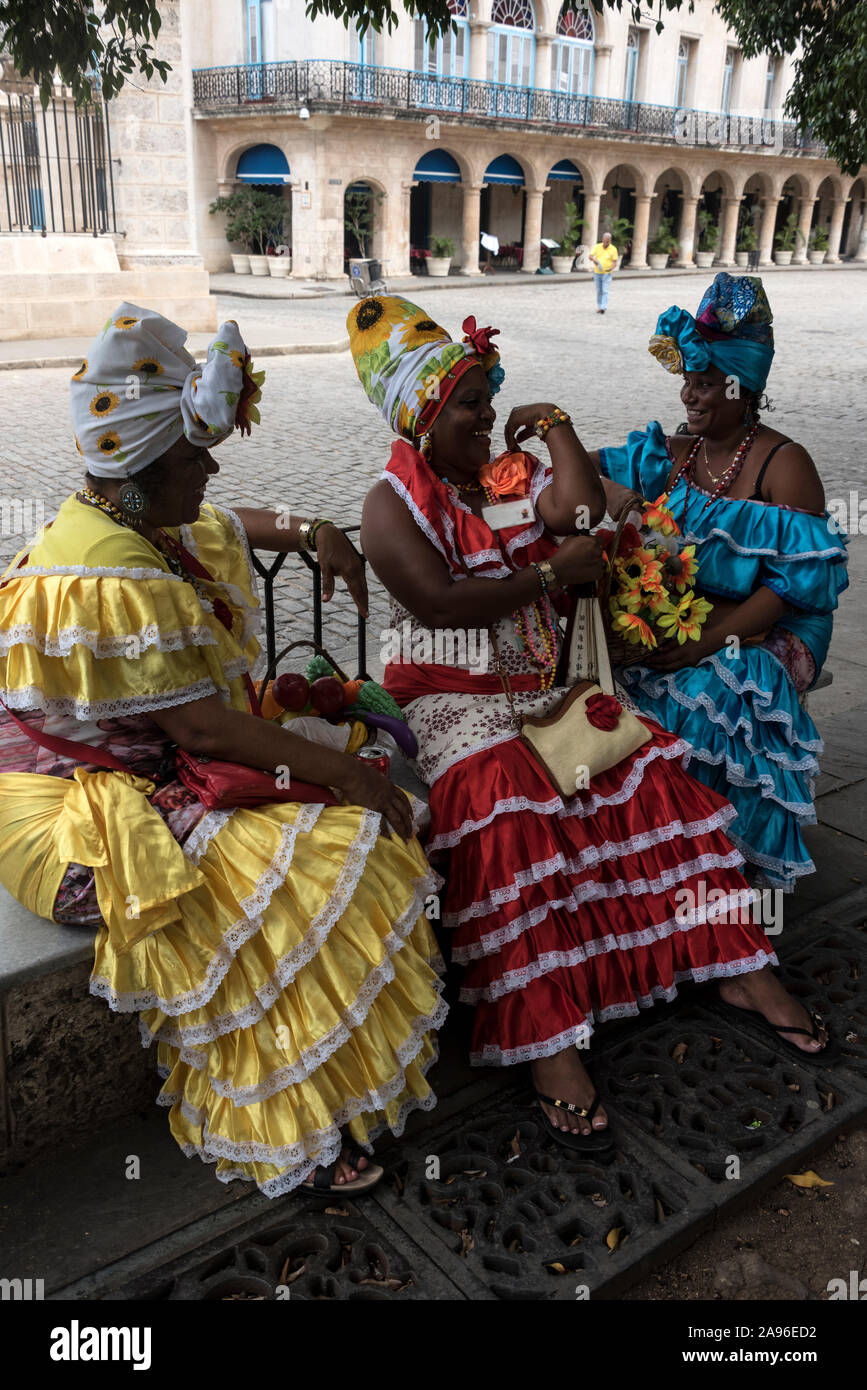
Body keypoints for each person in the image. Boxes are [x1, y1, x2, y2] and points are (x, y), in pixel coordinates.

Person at [347, 293, 834, 1155]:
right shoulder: (393, 500)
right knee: (507, 812)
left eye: (488, 395)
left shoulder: (498, 476)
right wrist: (545, 582)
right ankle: (549, 1044)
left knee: (653, 782)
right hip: (453, 692)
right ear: (423, 417)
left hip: (546, 679)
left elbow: (575, 517)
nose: (489, 414)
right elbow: (434, 598)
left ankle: (741, 968)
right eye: (470, 403)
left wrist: (560, 430)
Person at [0, 303, 447, 1198]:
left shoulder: (136, 524)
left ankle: (327, 1088)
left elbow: (233, 524)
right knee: (315, 868)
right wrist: (352, 772)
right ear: (141, 476)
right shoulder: (109, 571)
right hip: (78, 813)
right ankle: (291, 1124)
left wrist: (312, 529)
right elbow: (204, 730)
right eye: (195, 457)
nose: (210, 467)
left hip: (154, 772)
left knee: (341, 847)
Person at [593, 274, 848, 892]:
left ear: (742, 386)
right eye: (688, 381)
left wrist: (707, 644)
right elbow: (587, 474)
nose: (689, 396)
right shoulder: (675, 453)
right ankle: (653, 854)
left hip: (774, 623)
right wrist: (631, 508)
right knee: (610, 683)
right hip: (699, 612)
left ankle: (718, 863)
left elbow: (793, 587)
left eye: (705, 384)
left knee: (725, 685)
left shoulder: (785, 464)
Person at [588, 231, 618, 313]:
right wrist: (594, 260)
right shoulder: (597, 247)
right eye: (604, 241)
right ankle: (599, 305)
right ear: (602, 239)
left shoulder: (613, 249)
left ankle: (603, 307)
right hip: (597, 272)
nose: (605, 243)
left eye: (607, 241)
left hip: (606, 273)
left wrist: (610, 268)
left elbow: (614, 262)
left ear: (610, 241)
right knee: (599, 290)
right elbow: (590, 256)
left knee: (605, 290)